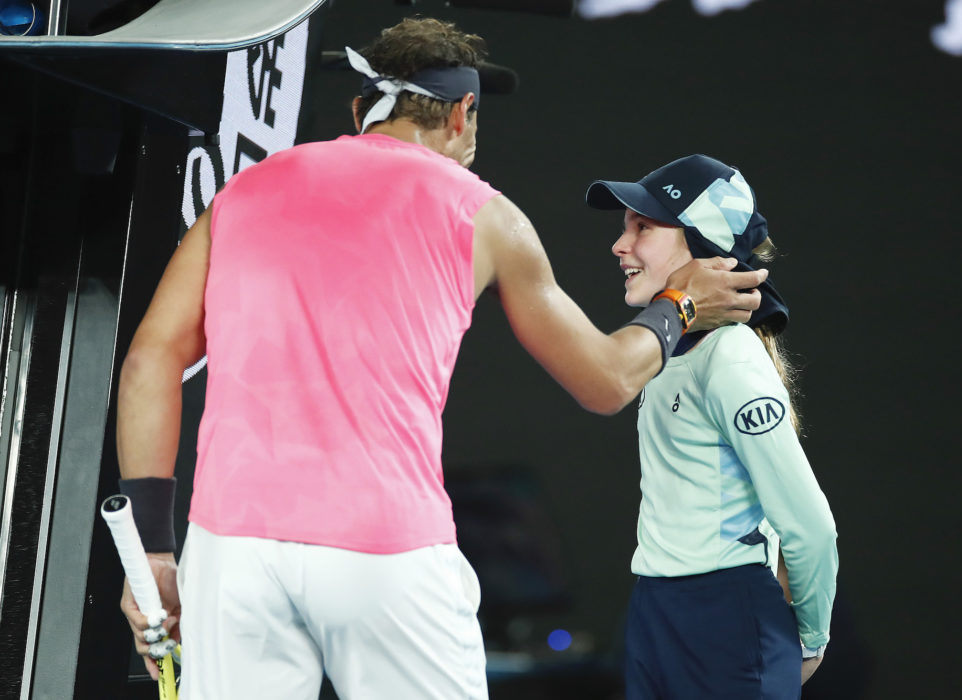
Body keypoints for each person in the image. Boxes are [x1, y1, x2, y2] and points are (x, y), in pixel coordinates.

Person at [115, 19, 771, 700]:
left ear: (359, 112)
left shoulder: (243, 194)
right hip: (386, 554)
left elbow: (148, 364)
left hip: (234, 554)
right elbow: (605, 380)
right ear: (462, 114)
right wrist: (681, 305)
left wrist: (154, 555)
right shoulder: (485, 214)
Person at [585, 154, 838, 699]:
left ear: (701, 244)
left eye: (643, 227)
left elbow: (810, 527)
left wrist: (811, 642)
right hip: (656, 611)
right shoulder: (664, 348)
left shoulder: (732, 359)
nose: (619, 245)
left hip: (728, 618)